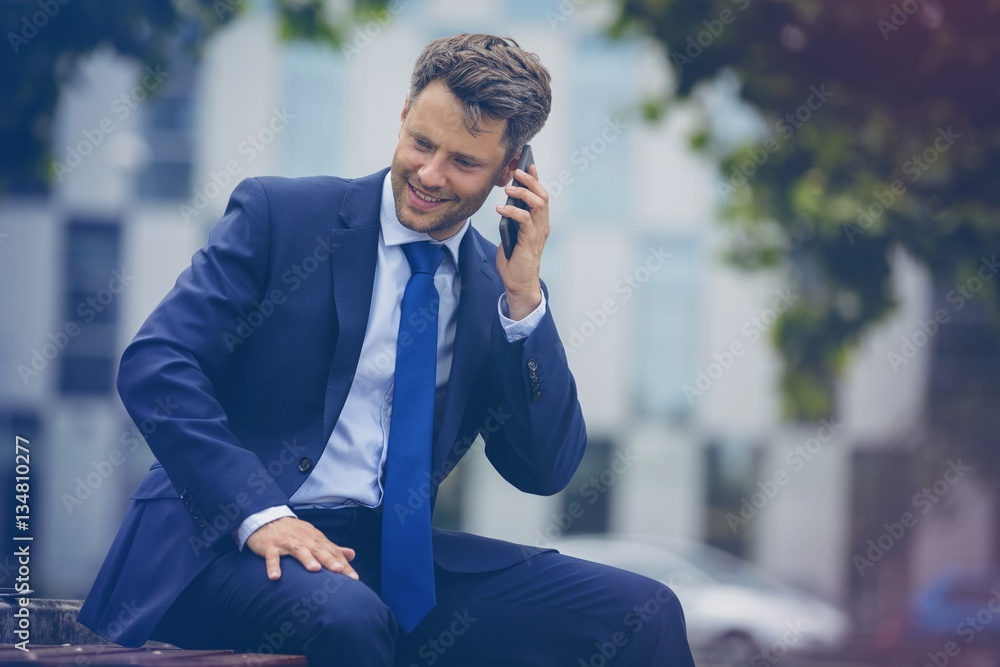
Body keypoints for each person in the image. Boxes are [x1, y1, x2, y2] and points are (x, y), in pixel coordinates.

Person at [78, 33, 696, 666]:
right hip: (222, 543)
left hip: (385, 558)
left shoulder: (497, 287)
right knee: (350, 620)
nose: (429, 175)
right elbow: (157, 364)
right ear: (403, 116)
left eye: (463, 162)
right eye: (422, 143)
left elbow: (542, 469)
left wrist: (524, 302)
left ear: (512, 173)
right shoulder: (282, 215)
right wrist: (259, 513)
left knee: (642, 611)